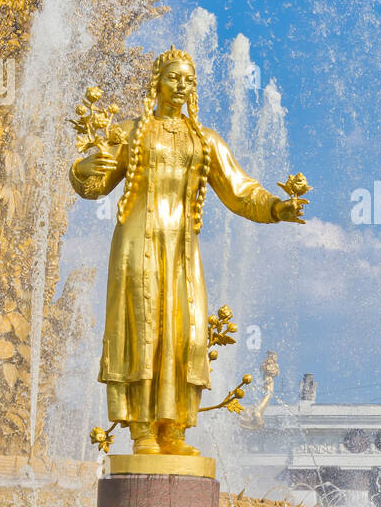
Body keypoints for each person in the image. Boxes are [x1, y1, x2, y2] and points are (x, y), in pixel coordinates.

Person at [70, 48, 306, 458]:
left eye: (189, 81)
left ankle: (173, 426)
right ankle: (142, 428)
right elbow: (94, 186)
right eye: (175, 78)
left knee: (184, 332)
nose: (182, 86)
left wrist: (276, 207)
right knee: (142, 330)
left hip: (181, 248)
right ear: (157, 81)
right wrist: (87, 165)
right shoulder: (131, 133)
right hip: (137, 241)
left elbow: (239, 190)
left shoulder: (205, 140)